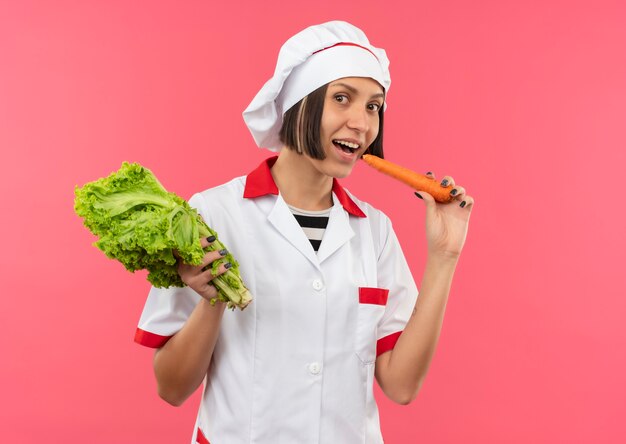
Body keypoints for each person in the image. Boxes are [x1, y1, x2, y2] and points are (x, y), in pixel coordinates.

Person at [134, 20, 473, 444]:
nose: (363, 124)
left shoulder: (375, 231)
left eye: (373, 106)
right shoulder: (212, 214)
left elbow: (401, 387)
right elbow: (171, 388)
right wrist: (212, 302)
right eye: (343, 99)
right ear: (299, 103)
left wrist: (444, 257)